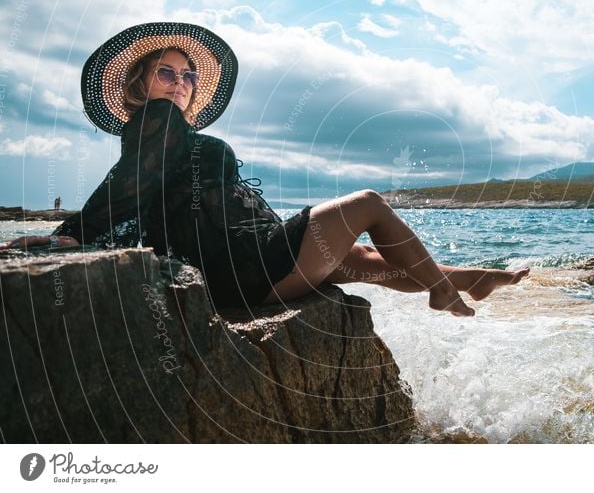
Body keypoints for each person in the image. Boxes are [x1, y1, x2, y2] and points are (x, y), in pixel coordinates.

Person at [1, 22, 528, 316]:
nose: (179, 82)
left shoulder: (169, 133)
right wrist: (73, 234)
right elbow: (130, 183)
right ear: (140, 84)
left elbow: (143, 187)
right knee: (368, 204)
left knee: (361, 260)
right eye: (166, 72)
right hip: (245, 268)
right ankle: (443, 291)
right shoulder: (155, 121)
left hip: (244, 265)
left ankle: (472, 279)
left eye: (186, 75)